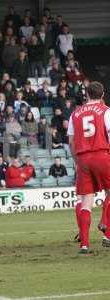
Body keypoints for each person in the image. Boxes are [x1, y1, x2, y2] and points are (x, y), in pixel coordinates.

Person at [67, 81, 110, 253]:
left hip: (83, 158)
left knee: (85, 201)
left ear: (86, 94)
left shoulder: (75, 114)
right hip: (101, 154)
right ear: (102, 95)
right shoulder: (106, 111)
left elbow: (71, 141)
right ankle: (105, 223)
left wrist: (77, 161)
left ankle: (84, 245)